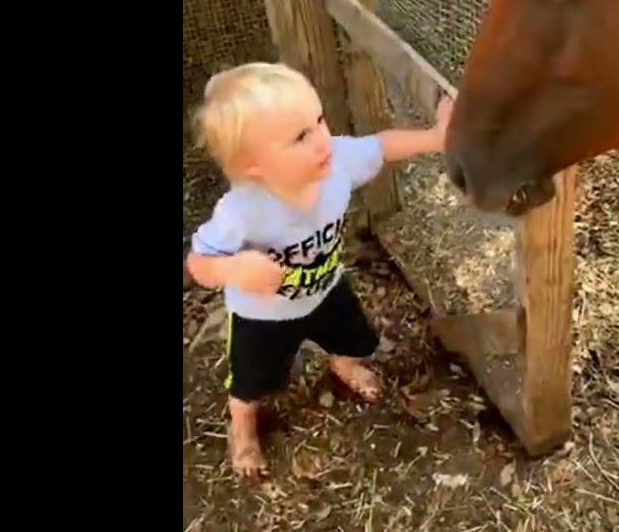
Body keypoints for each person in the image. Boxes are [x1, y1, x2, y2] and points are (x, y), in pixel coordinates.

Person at [185, 61, 452, 479]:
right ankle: (243, 430)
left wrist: (436, 137)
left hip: (327, 288)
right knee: (252, 382)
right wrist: (233, 269)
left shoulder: (336, 162)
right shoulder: (242, 211)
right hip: (263, 318)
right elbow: (199, 263)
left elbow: (381, 146)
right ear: (254, 165)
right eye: (300, 136)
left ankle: (342, 364)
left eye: (319, 119)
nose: (322, 139)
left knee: (352, 338)